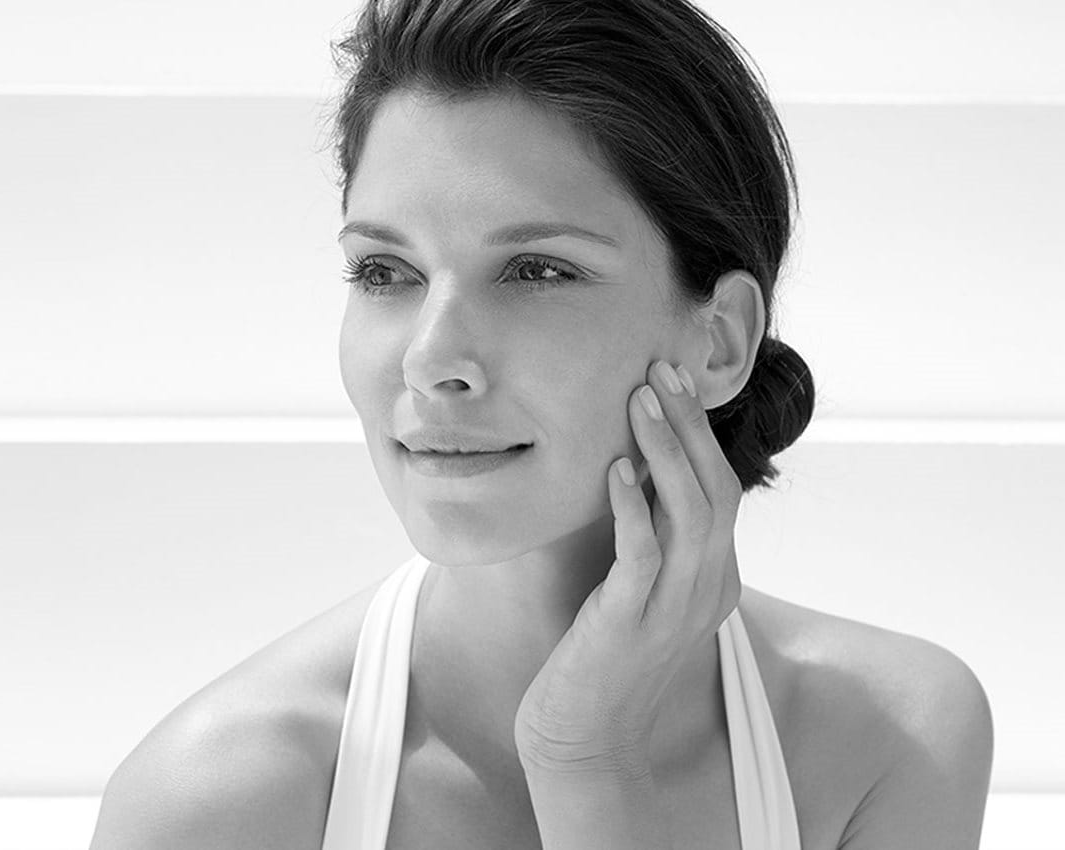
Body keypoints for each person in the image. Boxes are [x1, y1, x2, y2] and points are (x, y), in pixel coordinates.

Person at [89, 0, 994, 847]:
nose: (431, 358)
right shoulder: (215, 800)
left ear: (719, 341)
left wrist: (587, 759)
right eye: (384, 273)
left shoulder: (893, 740)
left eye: (536, 271)